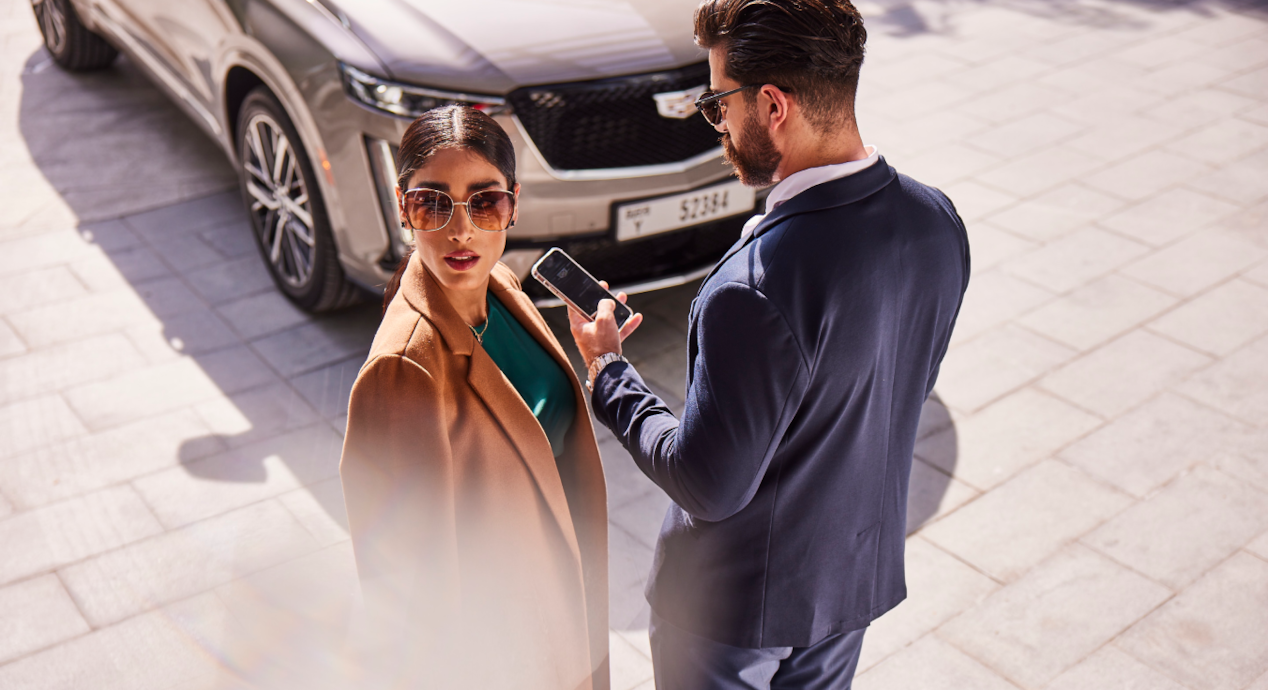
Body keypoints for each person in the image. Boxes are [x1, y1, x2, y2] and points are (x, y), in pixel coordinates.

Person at [568, 1, 971, 688]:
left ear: (774, 105)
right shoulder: (937, 221)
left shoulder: (751, 287)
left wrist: (609, 373)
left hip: (730, 615)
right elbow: (890, 391)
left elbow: (707, 483)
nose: (718, 123)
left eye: (718, 102)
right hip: (846, 590)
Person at [339, 106, 610, 690]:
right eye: (432, 203)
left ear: (513, 204)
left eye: (484, 202)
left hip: (564, 609)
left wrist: (599, 362)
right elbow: (412, 595)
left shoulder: (504, 287)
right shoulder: (403, 370)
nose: (461, 231)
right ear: (402, 206)